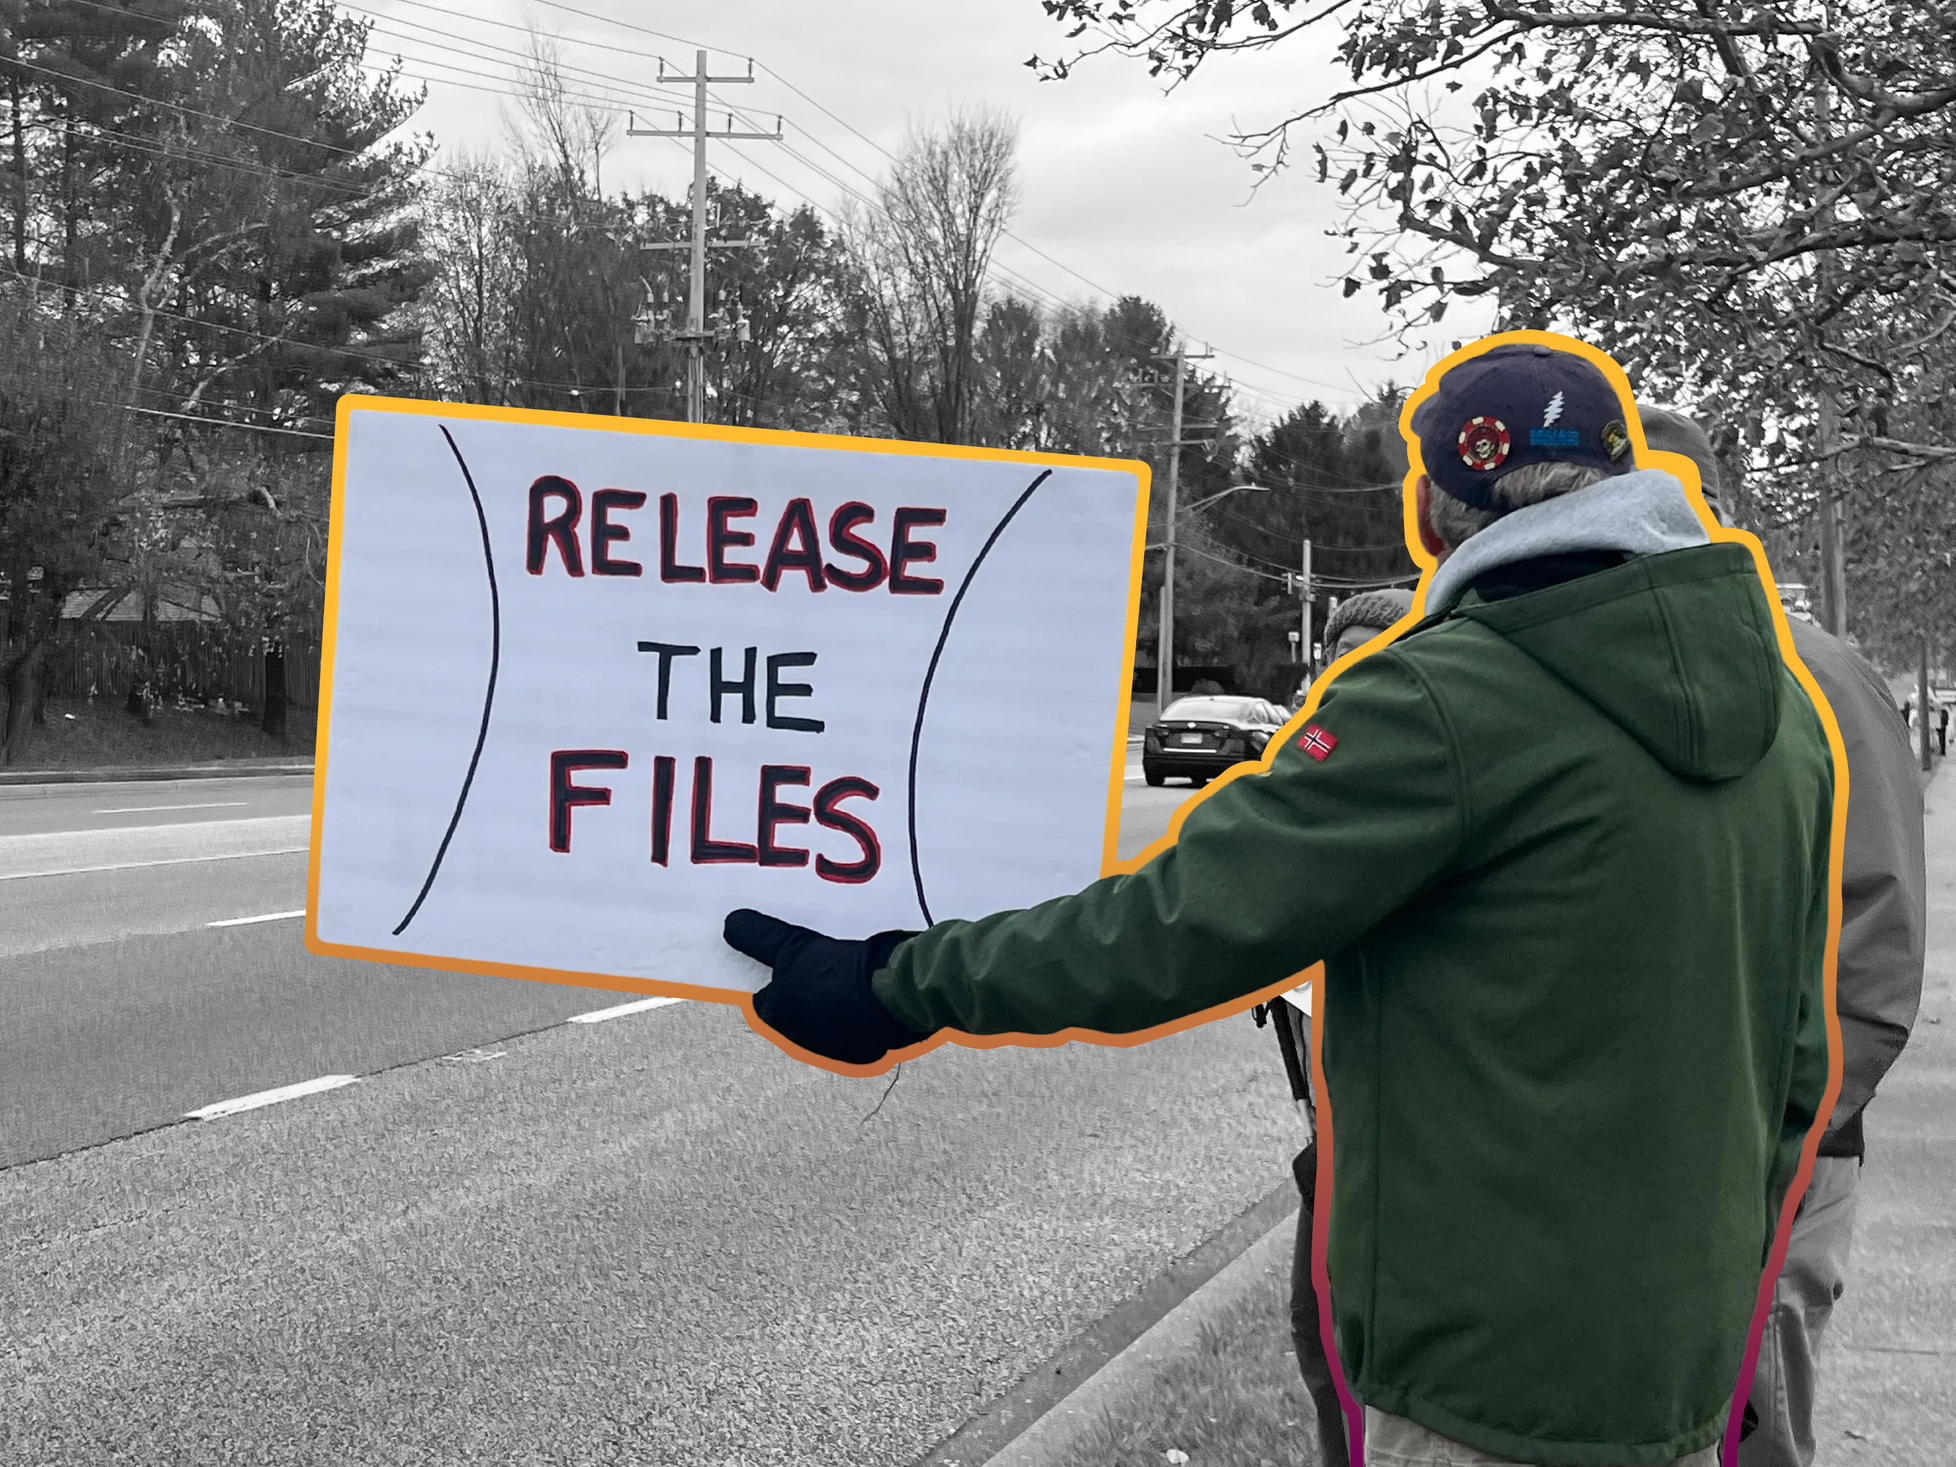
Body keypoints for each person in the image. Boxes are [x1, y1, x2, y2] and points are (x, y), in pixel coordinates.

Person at [725, 336, 1834, 1467]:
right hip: (1682, 1369)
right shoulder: (1787, 724)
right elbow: (1798, 1066)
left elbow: (1176, 927)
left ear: (1443, 508)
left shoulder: (1446, 701)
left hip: (1485, 1380)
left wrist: (891, 984)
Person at [1640, 406, 1926, 1467]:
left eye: (1676, 508)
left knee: (1746, 1430)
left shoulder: (1820, 675)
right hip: (1637, 1168)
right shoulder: (1598, 682)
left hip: (1773, 1163)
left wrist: (1785, 1130)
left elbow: (1880, 938)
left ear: (1725, 514)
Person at [1264, 585, 1414, 1467]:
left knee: (1362, 1348)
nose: (1351, 676)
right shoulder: (1316, 755)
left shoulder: (1421, 764)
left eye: (1375, 656)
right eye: (1340, 659)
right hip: (1335, 1128)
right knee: (1317, 1335)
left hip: (1400, 1133)